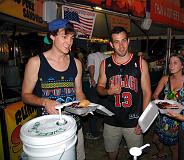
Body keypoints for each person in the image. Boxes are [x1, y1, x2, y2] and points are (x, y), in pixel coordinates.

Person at [21, 19, 87, 160]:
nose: (69, 42)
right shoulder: (36, 62)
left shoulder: (76, 63)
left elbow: (79, 91)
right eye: (64, 36)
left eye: (71, 38)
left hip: (74, 127)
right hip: (48, 130)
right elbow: (25, 95)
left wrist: (85, 104)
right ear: (52, 36)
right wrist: (45, 102)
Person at [96, 26, 151, 160]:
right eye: (116, 42)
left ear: (128, 41)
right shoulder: (105, 63)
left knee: (135, 155)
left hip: (133, 120)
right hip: (111, 120)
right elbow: (99, 88)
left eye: (123, 41)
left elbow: (147, 93)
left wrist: (143, 120)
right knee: (111, 152)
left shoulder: (140, 62)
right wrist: (108, 91)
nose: (121, 46)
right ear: (111, 44)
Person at [152, 54, 184, 160]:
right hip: (163, 115)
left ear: (182, 65)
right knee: (156, 139)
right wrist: (161, 103)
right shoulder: (165, 78)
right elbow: (155, 95)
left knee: (174, 147)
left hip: (177, 119)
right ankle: (161, 153)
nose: (171, 65)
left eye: (175, 63)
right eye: (170, 63)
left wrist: (180, 107)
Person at [85, 44, 109, 139]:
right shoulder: (106, 56)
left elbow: (91, 67)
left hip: (95, 86)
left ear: (92, 49)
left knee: (92, 109)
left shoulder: (91, 56)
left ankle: (94, 133)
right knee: (104, 109)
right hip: (104, 87)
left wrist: (92, 78)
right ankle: (104, 128)